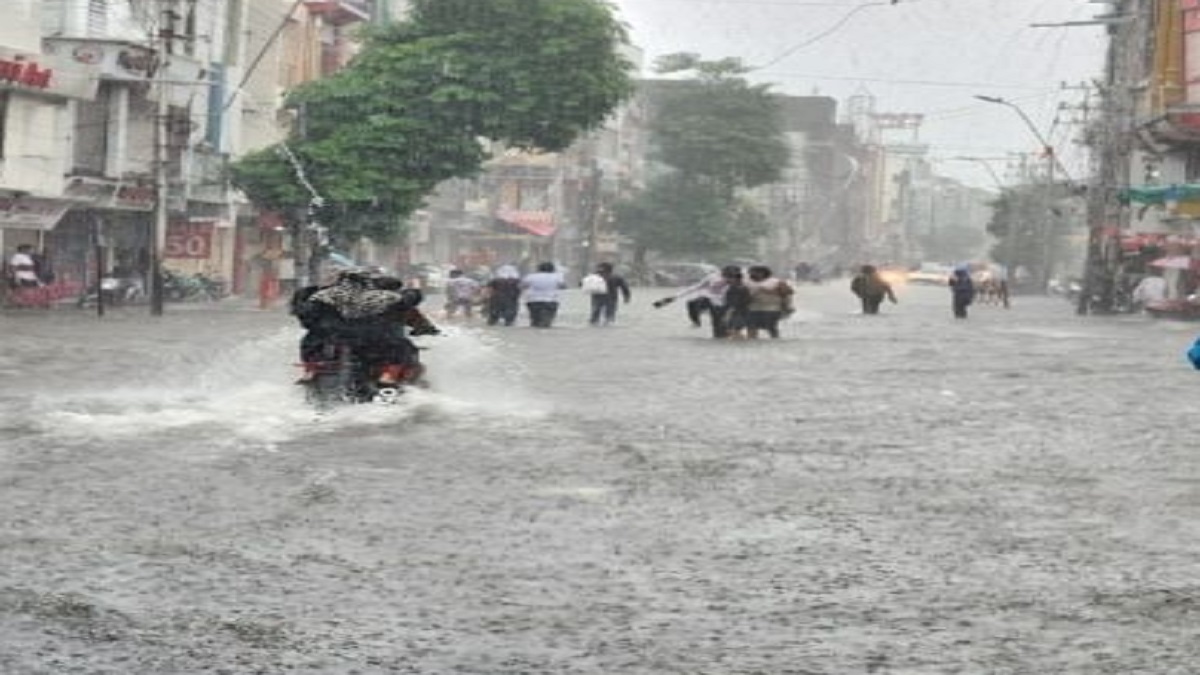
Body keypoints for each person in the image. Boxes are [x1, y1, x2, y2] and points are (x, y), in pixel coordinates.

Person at [292, 270, 430, 385]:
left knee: (311, 342)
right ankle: (388, 376)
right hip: (377, 340)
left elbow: (306, 315)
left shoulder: (323, 296)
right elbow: (416, 315)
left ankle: (310, 371)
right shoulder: (388, 298)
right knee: (402, 347)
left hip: (335, 338)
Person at [653, 265, 740, 339]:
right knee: (692, 302)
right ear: (723, 273)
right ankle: (696, 322)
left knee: (719, 334)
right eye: (728, 276)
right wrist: (675, 297)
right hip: (709, 300)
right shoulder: (713, 277)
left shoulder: (740, 283)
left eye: (732, 277)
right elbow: (696, 287)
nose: (730, 278)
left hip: (723, 306)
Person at [745, 265, 794, 339]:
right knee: (751, 326)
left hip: (772, 308)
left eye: (757, 272)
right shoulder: (746, 282)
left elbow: (789, 292)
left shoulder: (776, 281)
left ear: (764, 273)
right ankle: (752, 341)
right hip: (753, 307)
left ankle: (775, 338)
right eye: (752, 272)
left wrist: (769, 291)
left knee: (770, 326)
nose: (754, 274)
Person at [521, 262, 565, 328]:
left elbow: (523, 286)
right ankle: (545, 323)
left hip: (533, 300)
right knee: (548, 316)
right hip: (551, 300)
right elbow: (562, 286)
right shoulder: (557, 277)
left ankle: (536, 325)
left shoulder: (531, 276)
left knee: (534, 318)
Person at [723, 268, 751, 340]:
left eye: (732, 278)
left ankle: (740, 341)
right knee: (730, 329)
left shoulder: (742, 288)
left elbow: (745, 301)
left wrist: (732, 309)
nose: (730, 280)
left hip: (739, 312)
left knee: (735, 329)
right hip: (733, 311)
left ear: (738, 279)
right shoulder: (731, 287)